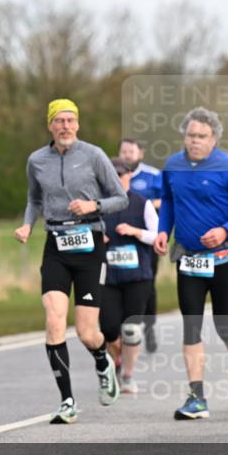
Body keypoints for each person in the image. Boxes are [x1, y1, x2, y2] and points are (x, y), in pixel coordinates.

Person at [14, 99, 128, 424]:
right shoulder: (36, 160)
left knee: (87, 332)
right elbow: (34, 198)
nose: (65, 126)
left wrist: (93, 206)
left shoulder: (93, 155)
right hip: (56, 246)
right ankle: (67, 402)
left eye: (70, 120)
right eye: (59, 121)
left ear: (77, 124)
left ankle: (103, 360)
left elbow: (121, 198)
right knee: (53, 321)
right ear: (49, 125)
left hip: (89, 244)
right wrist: (27, 223)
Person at [155, 107, 228, 420]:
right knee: (191, 327)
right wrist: (162, 230)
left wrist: (225, 229)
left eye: (202, 136)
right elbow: (169, 201)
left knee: (225, 327)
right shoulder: (173, 165)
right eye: (190, 135)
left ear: (213, 139)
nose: (195, 141)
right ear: (184, 136)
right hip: (188, 258)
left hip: (225, 257)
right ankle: (196, 397)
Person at [100, 158, 159, 394]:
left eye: (121, 175)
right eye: (112, 175)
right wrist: (97, 238)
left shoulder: (142, 204)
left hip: (138, 276)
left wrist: (135, 232)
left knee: (131, 329)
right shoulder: (98, 205)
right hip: (108, 276)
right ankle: (116, 359)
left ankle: (127, 375)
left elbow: (158, 237)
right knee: (109, 329)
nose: (117, 178)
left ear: (129, 177)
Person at [121, 139, 163, 353]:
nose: (126, 155)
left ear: (141, 153)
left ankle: (149, 327)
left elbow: (167, 201)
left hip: (146, 238)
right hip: (120, 239)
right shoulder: (115, 175)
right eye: (123, 151)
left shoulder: (153, 175)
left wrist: (146, 203)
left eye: (131, 151)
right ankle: (122, 328)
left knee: (147, 284)